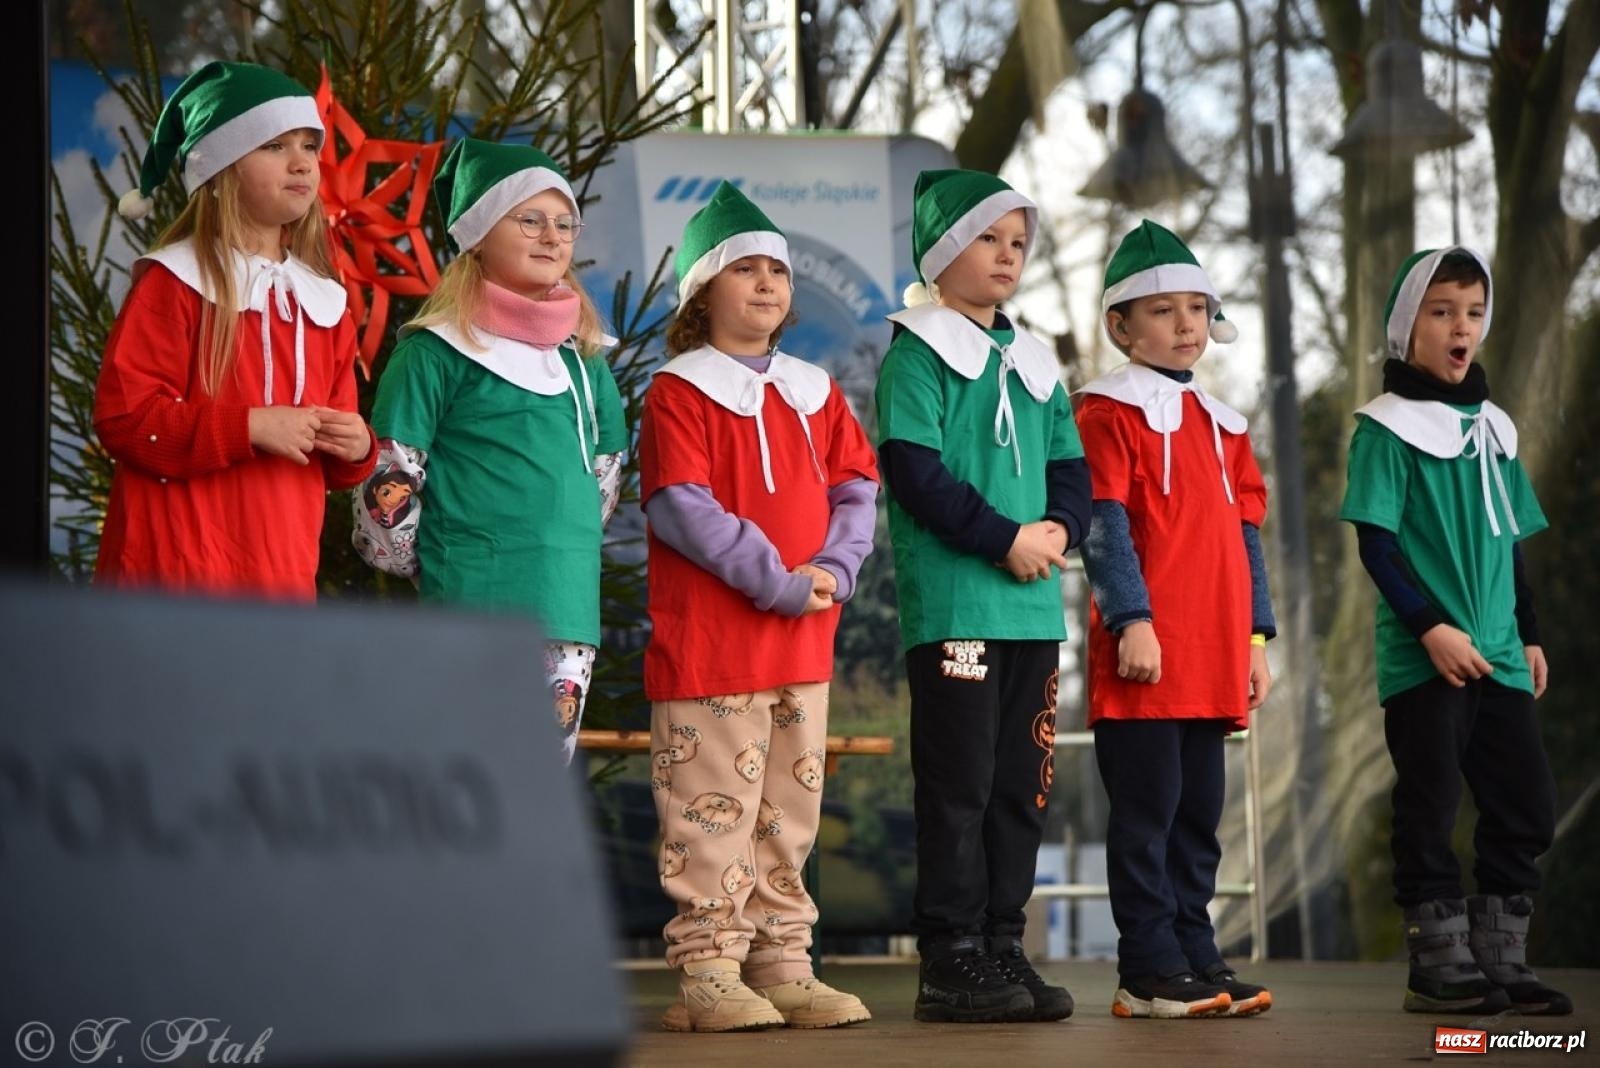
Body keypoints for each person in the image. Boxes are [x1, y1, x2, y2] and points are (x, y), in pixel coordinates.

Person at [638, 182, 879, 1033]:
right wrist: (778, 579)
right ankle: (708, 966)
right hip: (713, 649)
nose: (769, 283)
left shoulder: (815, 390)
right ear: (705, 293)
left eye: (777, 268)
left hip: (804, 647)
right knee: (712, 810)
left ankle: (782, 959)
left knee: (789, 812)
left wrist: (836, 571)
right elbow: (681, 505)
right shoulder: (678, 390)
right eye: (746, 269)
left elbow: (856, 488)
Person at [875, 168, 1090, 1024]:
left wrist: (1059, 534)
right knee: (959, 785)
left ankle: (1003, 944)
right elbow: (914, 472)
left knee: (1020, 788)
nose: (1006, 256)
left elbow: (1071, 468)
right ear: (939, 250)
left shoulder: (1036, 361)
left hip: (1033, 609)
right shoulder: (916, 351)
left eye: (1017, 242)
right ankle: (950, 957)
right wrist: (1005, 538)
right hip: (960, 607)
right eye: (986, 239)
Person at [1338, 246, 1568, 1016]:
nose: (1460, 327)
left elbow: (1508, 543)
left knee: (1525, 801)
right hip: (1425, 655)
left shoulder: (1495, 430)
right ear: (1408, 328)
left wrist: (1527, 632)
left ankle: (1501, 958)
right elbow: (1378, 544)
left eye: (1472, 311)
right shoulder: (1384, 429)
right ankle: (1437, 966)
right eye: (1441, 312)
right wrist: (1431, 628)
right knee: (1430, 806)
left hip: (1500, 655)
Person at [354, 138, 626, 765]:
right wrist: (442, 562)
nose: (551, 237)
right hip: (472, 609)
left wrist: (560, 548)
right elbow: (389, 478)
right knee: (464, 785)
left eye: (565, 224)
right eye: (528, 219)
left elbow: (604, 480)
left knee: (534, 794)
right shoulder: (435, 351)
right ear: (478, 234)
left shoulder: (584, 362)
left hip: (566, 613)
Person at [1076, 220, 1275, 1019]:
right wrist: (1132, 618)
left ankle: (1196, 951)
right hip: (1146, 656)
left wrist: (1256, 639)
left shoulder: (1226, 423)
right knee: (1148, 816)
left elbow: (1247, 535)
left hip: (1215, 652)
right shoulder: (1103, 411)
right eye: (1163, 310)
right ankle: (1145, 967)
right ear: (1121, 326)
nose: (1186, 323)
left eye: (1196, 307)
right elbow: (1102, 521)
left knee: (1199, 818)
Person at [95, 61, 375, 599]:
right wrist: (248, 427)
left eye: (309, 146)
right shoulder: (173, 282)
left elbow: (330, 454)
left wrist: (357, 446)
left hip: (281, 581)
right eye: (273, 146)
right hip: (173, 577)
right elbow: (124, 419)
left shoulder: (323, 302)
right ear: (220, 170)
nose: (301, 163)